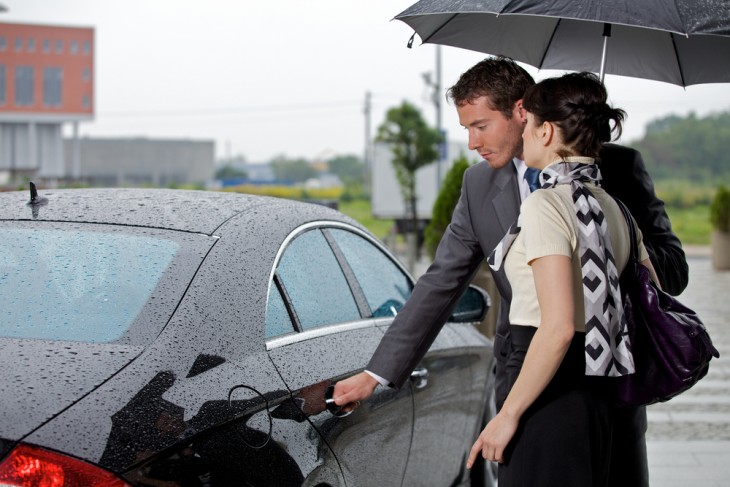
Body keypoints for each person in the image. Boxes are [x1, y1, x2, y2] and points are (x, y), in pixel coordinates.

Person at [333, 57, 688, 486]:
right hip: (526, 384)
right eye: (466, 129)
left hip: (610, 388)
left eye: (480, 126)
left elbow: (673, 270)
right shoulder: (478, 185)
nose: (471, 142)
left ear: (523, 112)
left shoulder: (614, 174)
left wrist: (603, 244)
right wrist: (377, 374)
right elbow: (440, 282)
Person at [464, 71, 659, 486]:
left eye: (530, 123)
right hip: (602, 395)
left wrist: (508, 415)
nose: (526, 132)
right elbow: (649, 297)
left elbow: (555, 329)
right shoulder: (615, 207)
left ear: (547, 130)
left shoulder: (545, 205)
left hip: (544, 392)